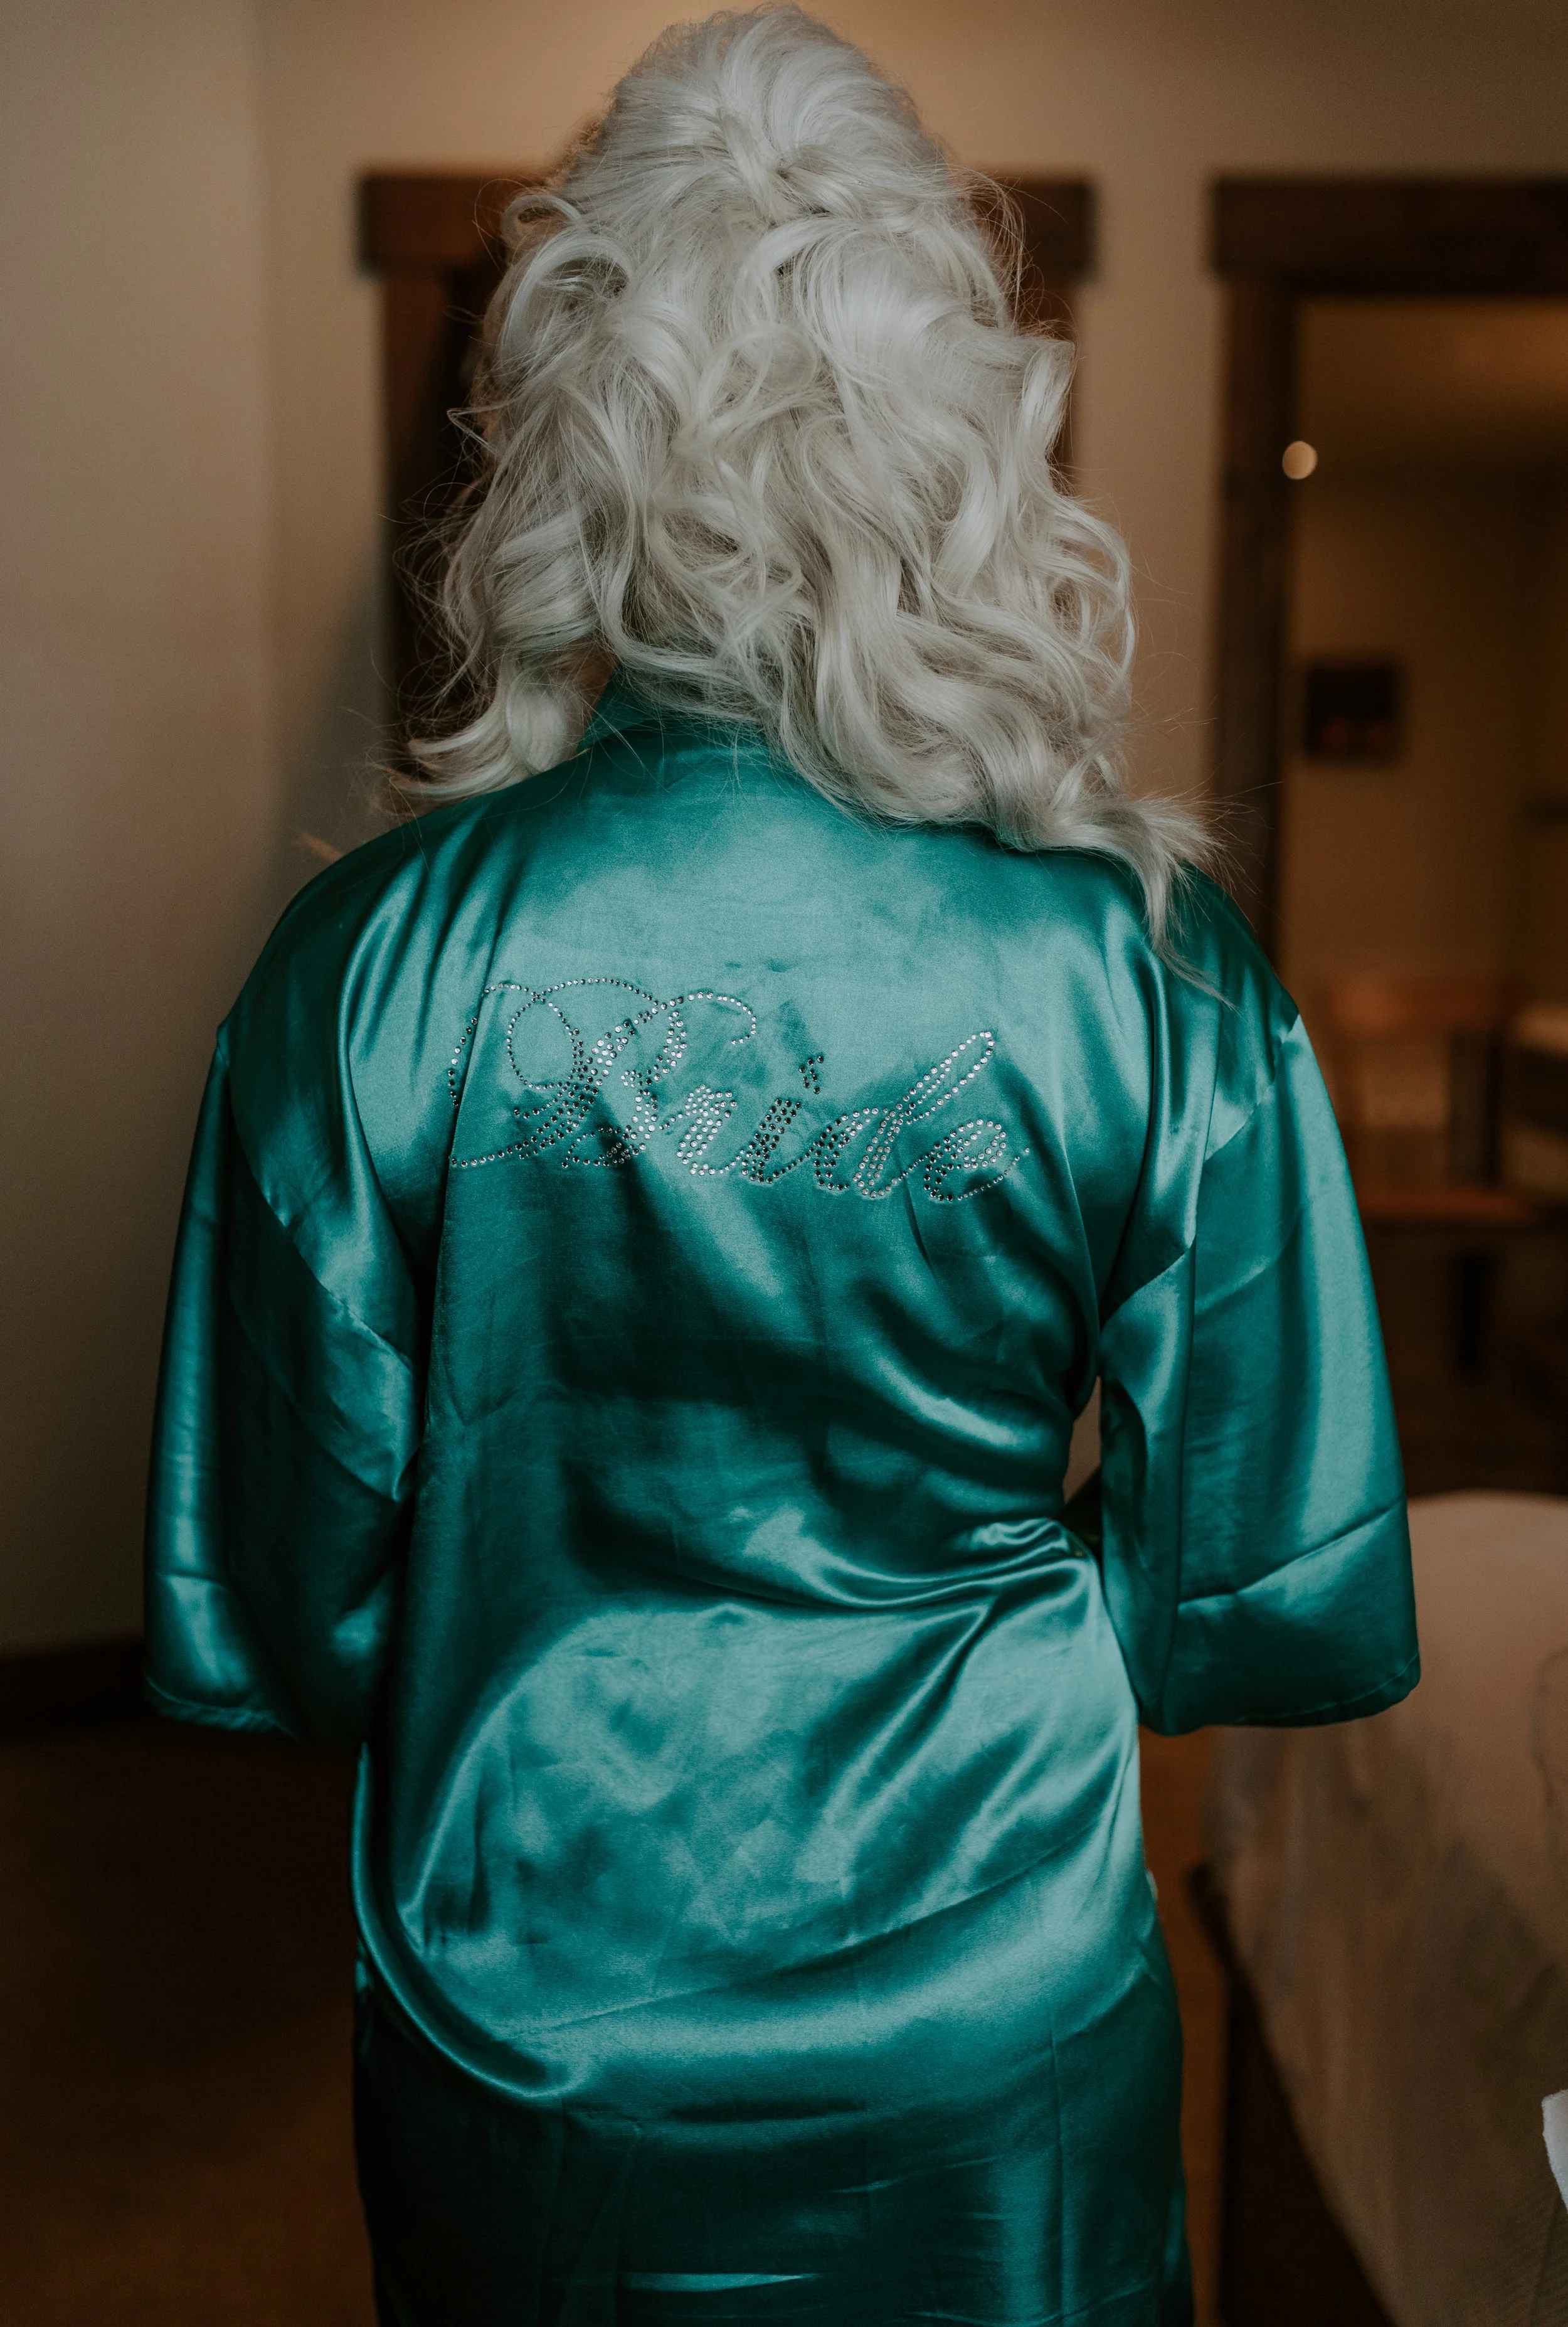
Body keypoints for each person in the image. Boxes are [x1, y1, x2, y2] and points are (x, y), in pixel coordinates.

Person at [144, 11, 1418, 2322]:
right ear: (956, 419)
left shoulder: (374, 969)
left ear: (564, 425)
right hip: (997, 2018)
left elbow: (298, 1607)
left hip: (532, 2025)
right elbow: (1253, 1579)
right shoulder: (1140, 974)